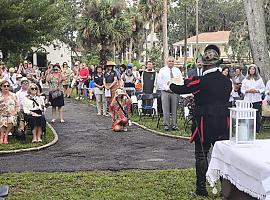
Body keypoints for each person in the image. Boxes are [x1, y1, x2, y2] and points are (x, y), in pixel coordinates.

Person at [169, 45, 232, 197]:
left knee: (201, 155)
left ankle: (201, 189)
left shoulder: (200, 81)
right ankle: (225, 191)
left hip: (204, 123)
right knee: (223, 157)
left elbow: (180, 88)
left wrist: (170, 84)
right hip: (223, 123)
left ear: (203, 64)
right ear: (218, 64)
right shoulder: (227, 82)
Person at [157, 56, 182, 131]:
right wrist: (168, 88)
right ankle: (166, 125)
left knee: (174, 108)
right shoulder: (162, 70)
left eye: (172, 61)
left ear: (174, 62)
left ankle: (174, 124)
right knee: (166, 108)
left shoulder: (177, 70)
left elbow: (180, 80)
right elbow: (160, 81)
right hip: (165, 92)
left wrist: (176, 88)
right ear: (166, 62)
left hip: (175, 92)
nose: (171, 62)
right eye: (169, 61)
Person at [241, 64, 265, 133]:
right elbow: (242, 90)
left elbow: (263, 88)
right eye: (250, 69)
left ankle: (256, 130)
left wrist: (257, 91)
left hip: (256, 99)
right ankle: (248, 128)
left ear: (255, 70)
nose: (252, 70)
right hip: (248, 99)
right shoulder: (245, 79)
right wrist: (247, 91)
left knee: (256, 114)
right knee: (247, 114)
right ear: (248, 70)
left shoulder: (259, 79)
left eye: (253, 69)